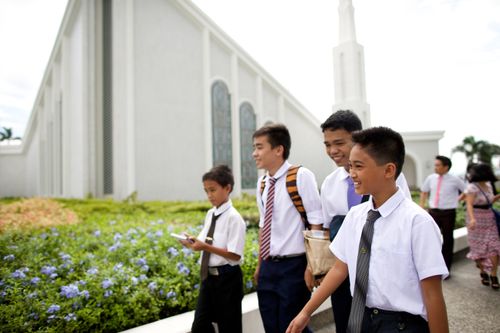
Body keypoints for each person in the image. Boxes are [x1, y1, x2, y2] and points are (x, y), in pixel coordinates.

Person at [287, 127, 449, 333]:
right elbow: (339, 268)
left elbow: (433, 295)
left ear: (389, 170)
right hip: (360, 318)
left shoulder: (417, 223)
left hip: (402, 325)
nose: (352, 174)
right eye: (350, 166)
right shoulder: (356, 216)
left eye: (358, 167)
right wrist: (306, 312)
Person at [319, 110, 411, 333]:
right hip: (342, 276)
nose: (332, 151)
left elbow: (403, 223)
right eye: (327, 144)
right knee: (345, 324)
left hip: (382, 275)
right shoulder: (330, 184)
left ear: (358, 137)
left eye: (339, 143)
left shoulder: (390, 178)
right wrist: (316, 266)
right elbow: (325, 228)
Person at [252, 123, 323, 333]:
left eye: (259, 147)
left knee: (291, 327)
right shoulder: (262, 183)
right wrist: (259, 265)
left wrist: (312, 267)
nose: (254, 153)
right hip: (268, 267)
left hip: (294, 267)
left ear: (278, 149)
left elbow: (316, 222)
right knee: (271, 327)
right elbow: (264, 226)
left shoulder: (301, 176)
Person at [179, 165, 246, 333]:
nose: (209, 195)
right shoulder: (211, 214)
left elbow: (235, 255)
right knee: (200, 326)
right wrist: (191, 242)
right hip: (208, 278)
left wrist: (204, 246)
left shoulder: (234, 218)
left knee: (229, 328)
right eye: (206, 191)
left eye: (213, 190)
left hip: (227, 279)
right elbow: (203, 243)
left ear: (227, 188)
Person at [419, 155, 466, 273]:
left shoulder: (455, 179)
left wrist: (457, 200)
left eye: (438, 165)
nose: (435, 167)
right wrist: (421, 207)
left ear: (446, 167)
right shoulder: (431, 178)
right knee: (430, 239)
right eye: (435, 165)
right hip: (433, 212)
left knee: (448, 240)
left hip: (448, 213)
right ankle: (430, 268)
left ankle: (446, 269)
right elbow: (424, 191)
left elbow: (467, 191)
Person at [464, 163, 500, 290]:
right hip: (476, 220)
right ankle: (483, 272)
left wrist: (497, 197)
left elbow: (489, 201)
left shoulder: (489, 185)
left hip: (489, 218)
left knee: (494, 247)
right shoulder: (472, 187)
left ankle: (494, 275)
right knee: (478, 249)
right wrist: (472, 219)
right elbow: (469, 204)